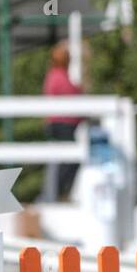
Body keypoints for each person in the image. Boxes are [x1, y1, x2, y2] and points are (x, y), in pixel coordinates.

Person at [42, 42, 84, 199]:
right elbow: (74, 92)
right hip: (62, 126)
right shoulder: (57, 76)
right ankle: (56, 193)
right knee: (68, 162)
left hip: (64, 125)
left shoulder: (57, 75)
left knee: (66, 161)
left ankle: (57, 193)